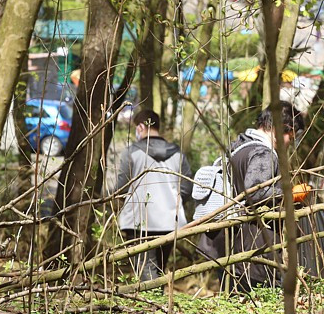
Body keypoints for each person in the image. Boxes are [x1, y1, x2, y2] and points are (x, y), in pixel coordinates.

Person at [199, 101, 306, 291]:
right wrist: (292, 194)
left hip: (228, 244)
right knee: (257, 303)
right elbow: (255, 193)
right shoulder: (263, 153)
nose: (290, 142)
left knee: (234, 303)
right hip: (252, 250)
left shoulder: (239, 148)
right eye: (293, 135)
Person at [115, 109, 193, 281]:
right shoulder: (177, 154)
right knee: (159, 267)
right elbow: (187, 186)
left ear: (141, 127)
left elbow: (121, 186)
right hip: (169, 221)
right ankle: (158, 302)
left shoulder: (131, 152)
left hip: (138, 221)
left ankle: (153, 305)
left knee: (145, 268)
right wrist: (175, 202)